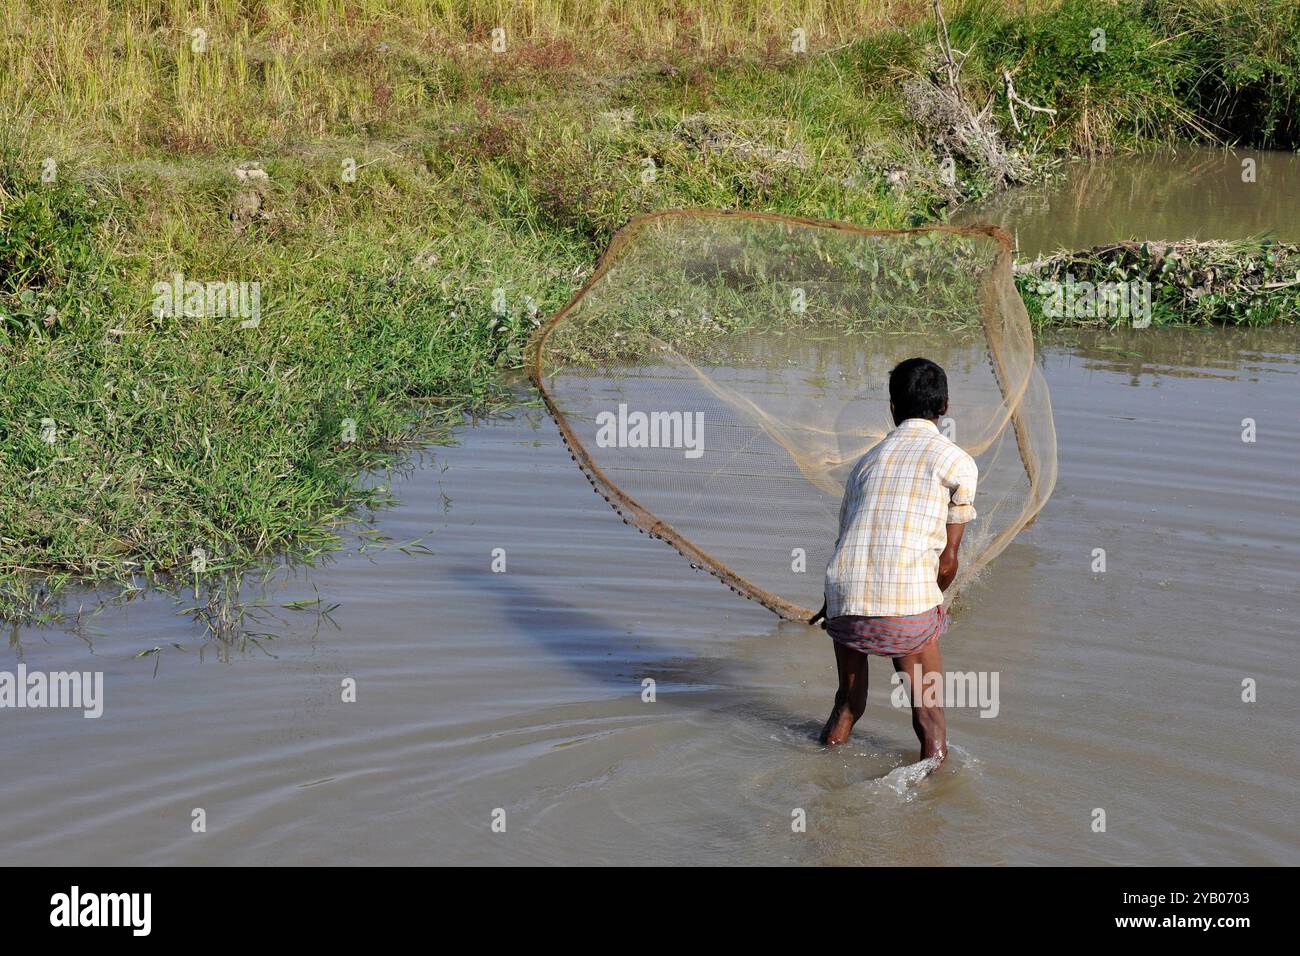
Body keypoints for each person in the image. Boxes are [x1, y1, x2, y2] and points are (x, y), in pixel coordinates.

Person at [810, 357, 978, 767]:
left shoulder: (866, 462)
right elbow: (947, 562)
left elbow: (849, 541)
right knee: (929, 717)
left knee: (847, 705)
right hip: (906, 605)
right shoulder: (957, 462)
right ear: (945, 406)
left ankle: (823, 773)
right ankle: (932, 801)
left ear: (892, 407)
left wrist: (834, 603)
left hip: (843, 596)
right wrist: (929, 606)